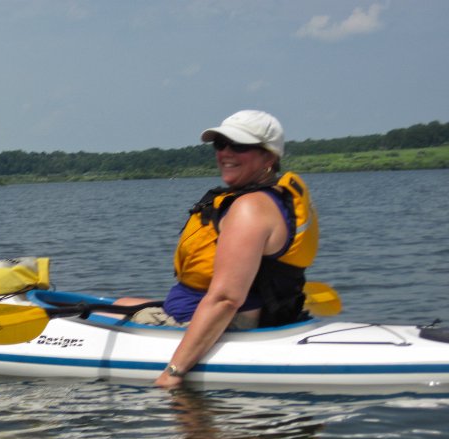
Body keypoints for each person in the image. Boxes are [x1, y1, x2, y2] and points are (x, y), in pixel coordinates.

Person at [119, 110, 319, 388]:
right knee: (121, 304)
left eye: (239, 146)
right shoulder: (270, 199)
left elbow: (226, 299)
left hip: (228, 326)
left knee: (99, 317)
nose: (225, 153)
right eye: (220, 144)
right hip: (234, 315)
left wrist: (173, 373)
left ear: (269, 157)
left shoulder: (250, 209)